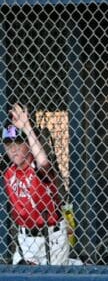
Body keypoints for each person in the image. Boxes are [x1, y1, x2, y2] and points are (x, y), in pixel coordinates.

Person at [3, 104, 72, 265]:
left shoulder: (37, 169)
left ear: (28, 145)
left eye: (18, 144)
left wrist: (27, 128)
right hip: (25, 239)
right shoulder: (9, 170)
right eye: (9, 145)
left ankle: (77, 264)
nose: (13, 150)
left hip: (51, 238)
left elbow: (43, 161)